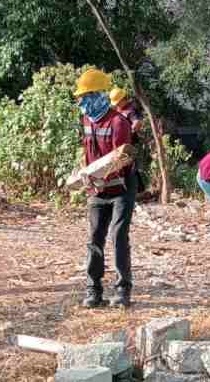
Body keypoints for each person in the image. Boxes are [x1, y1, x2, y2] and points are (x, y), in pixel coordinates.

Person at [74, 69, 138, 308]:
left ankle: (123, 290)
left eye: (85, 95)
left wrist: (99, 176)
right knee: (94, 239)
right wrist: (85, 173)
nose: (81, 101)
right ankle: (94, 290)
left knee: (118, 236)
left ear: (99, 94)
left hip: (121, 187)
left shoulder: (119, 122)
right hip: (97, 189)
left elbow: (120, 161)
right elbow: (87, 153)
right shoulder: (86, 119)